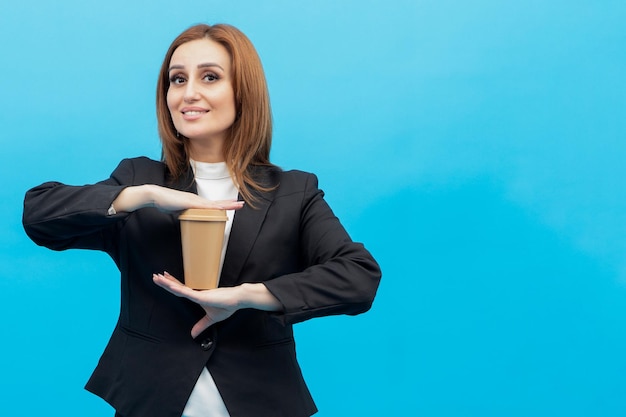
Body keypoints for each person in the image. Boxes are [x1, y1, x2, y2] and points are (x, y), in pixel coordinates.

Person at [22, 23, 381, 417]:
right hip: (149, 402)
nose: (188, 93)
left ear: (242, 92)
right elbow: (39, 214)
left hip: (261, 402)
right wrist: (146, 196)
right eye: (177, 79)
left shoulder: (294, 191)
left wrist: (246, 296)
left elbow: (358, 277)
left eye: (209, 77)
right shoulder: (138, 179)